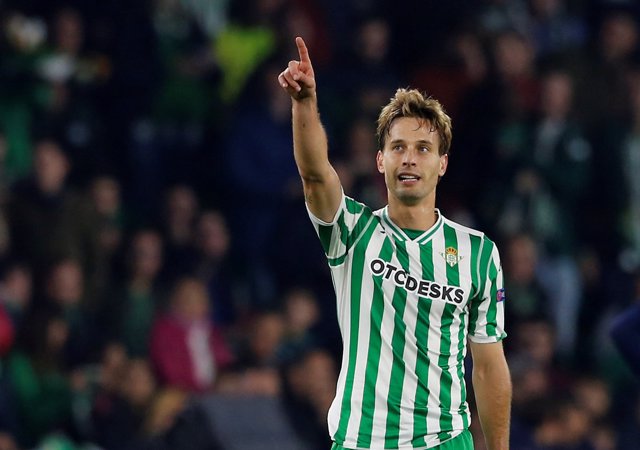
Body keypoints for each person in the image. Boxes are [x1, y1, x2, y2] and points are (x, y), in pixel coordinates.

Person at [278, 37, 511, 450]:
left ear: (442, 164)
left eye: (423, 149)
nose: (409, 158)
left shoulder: (478, 253)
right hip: (361, 441)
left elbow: (490, 368)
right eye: (398, 147)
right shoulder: (352, 231)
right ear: (380, 160)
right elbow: (315, 175)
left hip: (443, 441)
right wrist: (305, 102)